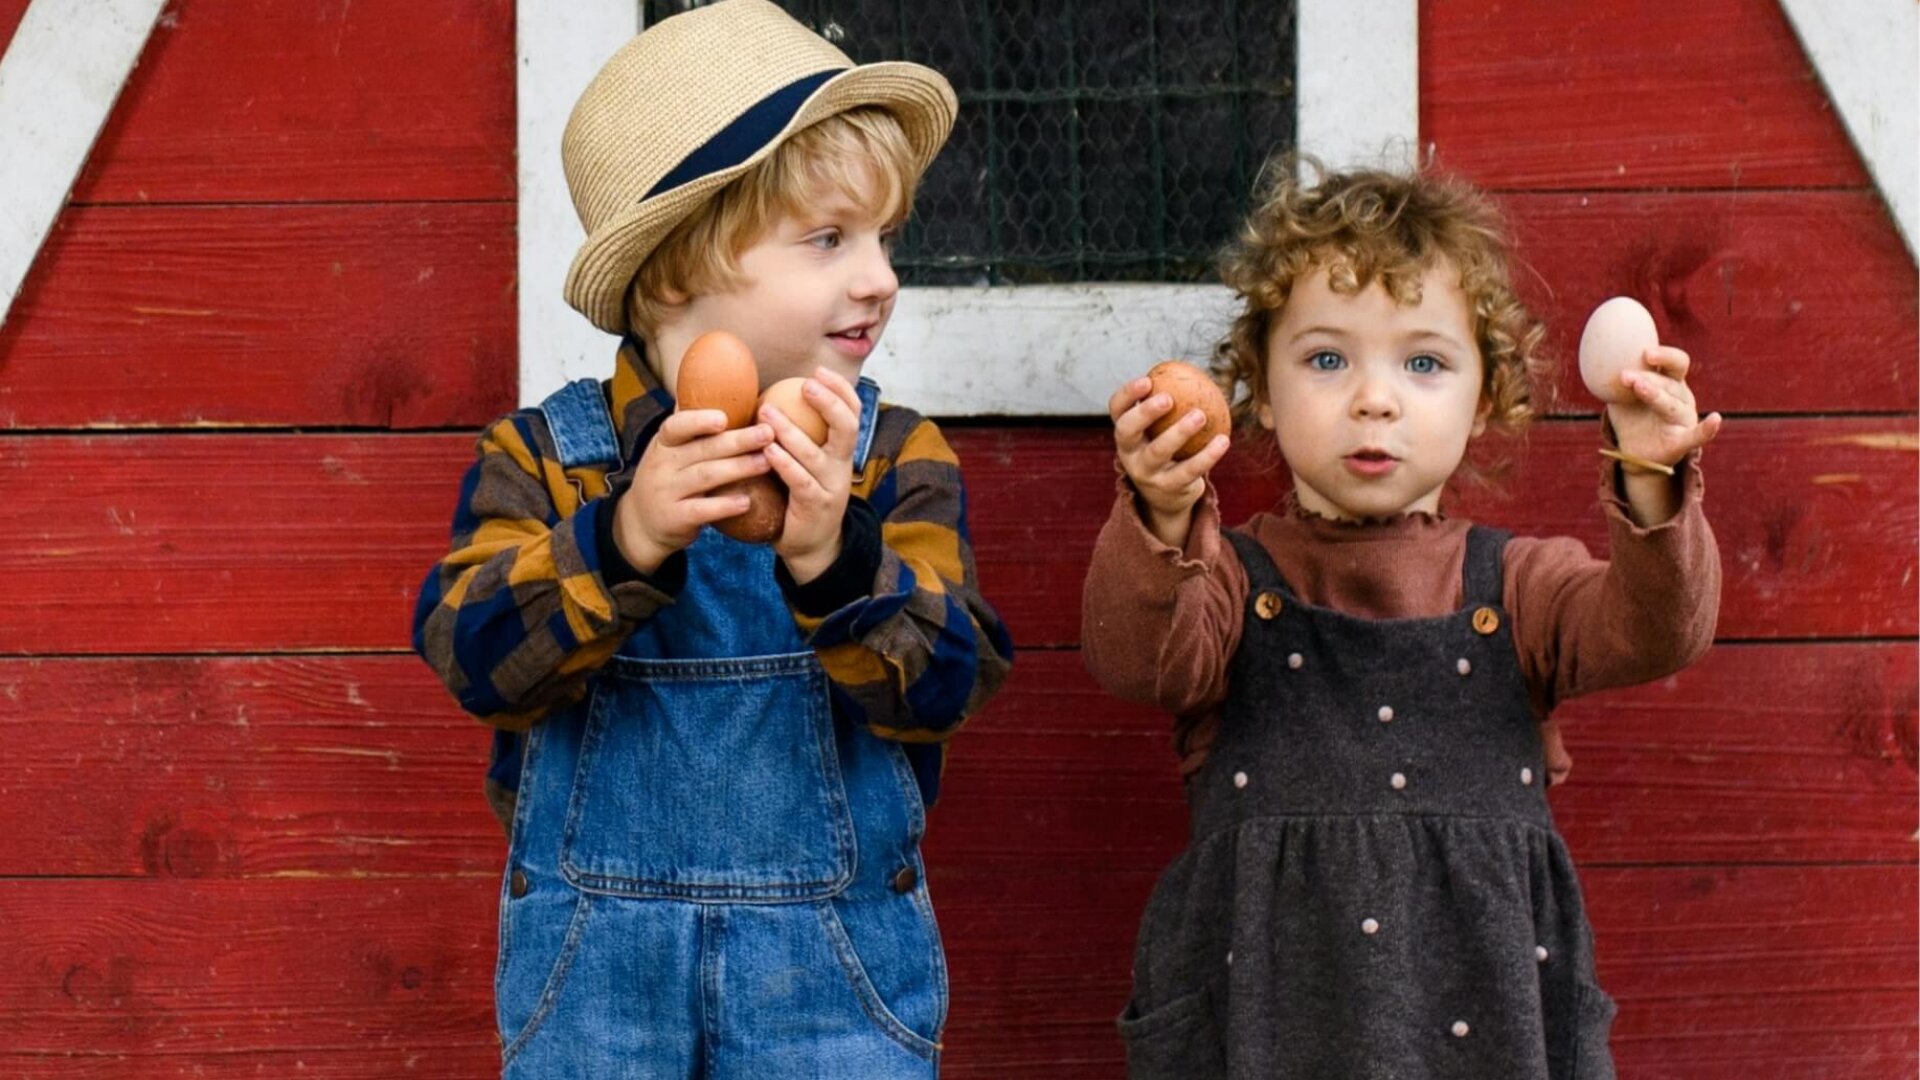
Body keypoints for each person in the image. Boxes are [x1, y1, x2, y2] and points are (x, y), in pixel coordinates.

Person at [411, 3, 1011, 1074]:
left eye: (883, 237)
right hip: (599, 987)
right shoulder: (551, 460)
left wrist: (834, 555)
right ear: (681, 265)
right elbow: (473, 657)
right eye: (829, 239)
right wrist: (624, 536)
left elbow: (945, 686)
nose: (876, 275)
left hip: (831, 982)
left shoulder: (891, 459)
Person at [1080, 158, 1722, 1079]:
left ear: (1487, 395)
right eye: (1327, 358)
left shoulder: (1520, 587)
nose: (1374, 398)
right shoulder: (1221, 582)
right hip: (1265, 1032)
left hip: (1493, 1031)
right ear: (1259, 383)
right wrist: (1160, 512)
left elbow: (1660, 629)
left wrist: (1652, 478)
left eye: (1424, 361)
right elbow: (1139, 659)